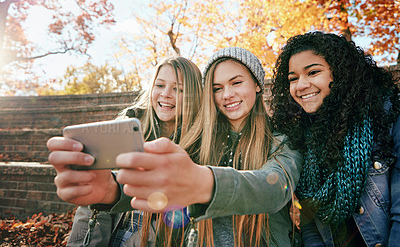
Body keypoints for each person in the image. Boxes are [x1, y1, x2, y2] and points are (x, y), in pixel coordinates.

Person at [111, 47, 303, 246]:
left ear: (256, 84)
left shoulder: (282, 142)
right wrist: (110, 190)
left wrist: (206, 183)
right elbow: (162, 191)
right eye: (217, 88)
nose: (227, 94)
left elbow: (272, 190)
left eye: (236, 83)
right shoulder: (197, 142)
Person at [46, 56, 203, 246]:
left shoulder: (200, 145)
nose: (166, 94)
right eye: (160, 85)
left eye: (178, 89)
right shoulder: (125, 128)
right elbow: (93, 206)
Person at [270, 31, 400, 246]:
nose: (301, 85)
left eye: (313, 72)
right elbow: (310, 221)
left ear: (340, 73)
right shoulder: (302, 138)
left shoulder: (387, 117)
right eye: (293, 78)